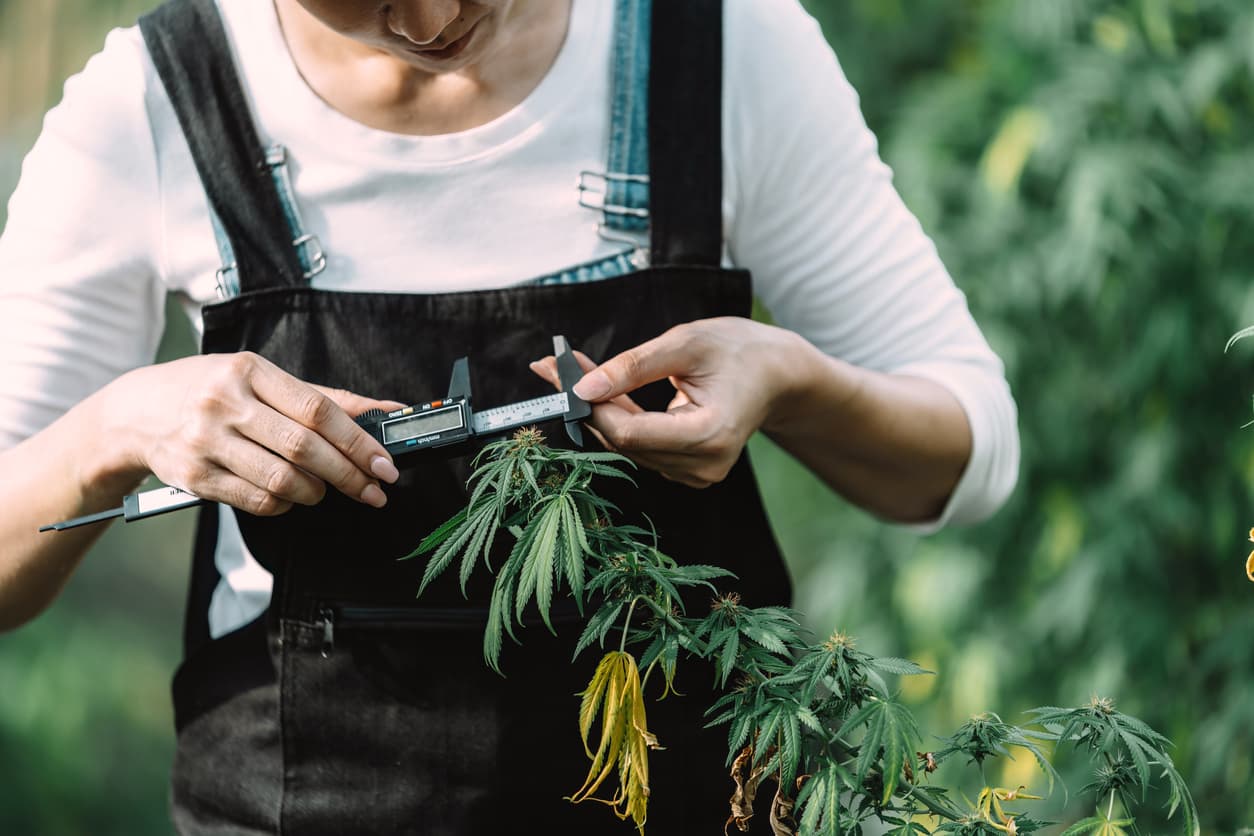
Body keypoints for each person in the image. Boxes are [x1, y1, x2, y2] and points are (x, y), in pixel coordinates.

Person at [0, 0, 1019, 832]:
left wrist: (794, 381)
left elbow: (970, 452)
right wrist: (116, 428)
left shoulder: (723, 49)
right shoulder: (149, 107)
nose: (437, 16)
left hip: (700, 800)